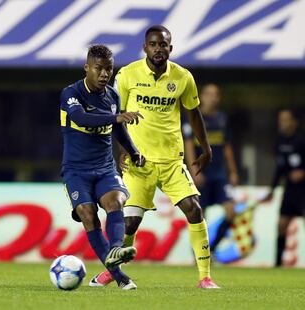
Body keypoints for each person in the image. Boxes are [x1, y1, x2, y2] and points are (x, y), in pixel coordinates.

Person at [89, 25, 219, 289]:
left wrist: (206, 148)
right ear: (145, 47)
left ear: (171, 48)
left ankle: (205, 277)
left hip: (172, 160)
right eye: (153, 44)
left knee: (194, 210)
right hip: (139, 162)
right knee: (130, 222)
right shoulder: (127, 75)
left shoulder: (183, 77)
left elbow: (194, 114)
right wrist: (122, 152)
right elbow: (118, 115)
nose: (158, 49)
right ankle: (112, 271)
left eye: (163, 45)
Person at [60, 44, 146, 290]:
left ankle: (116, 249)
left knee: (116, 202)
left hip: (105, 168)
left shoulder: (113, 96)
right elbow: (80, 118)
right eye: (98, 68)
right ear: (87, 68)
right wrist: (115, 117)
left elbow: (118, 128)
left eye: (109, 69)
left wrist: (133, 151)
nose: (104, 74)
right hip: (76, 170)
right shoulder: (71, 93)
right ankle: (120, 277)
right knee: (87, 214)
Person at [183, 84, 239, 252]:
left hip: (220, 174)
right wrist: (194, 171)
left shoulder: (222, 118)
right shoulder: (193, 118)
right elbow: (188, 145)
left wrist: (233, 171)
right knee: (200, 216)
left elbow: (227, 146)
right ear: (202, 96)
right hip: (202, 173)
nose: (213, 98)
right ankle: (198, 254)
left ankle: (211, 249)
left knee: (231, 212)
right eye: (209, 94)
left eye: (216, 94)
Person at [264, 108, 305, 267]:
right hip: (290, 190)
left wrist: (303, 173)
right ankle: (278, 264)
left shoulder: (301, 141)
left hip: (303, 190)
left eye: (286, 119)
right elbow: (279, 169)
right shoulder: (279, 142)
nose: (282, 123)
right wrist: (272, 190)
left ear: (295, 122)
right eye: (281, 119)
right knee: (281, 225)